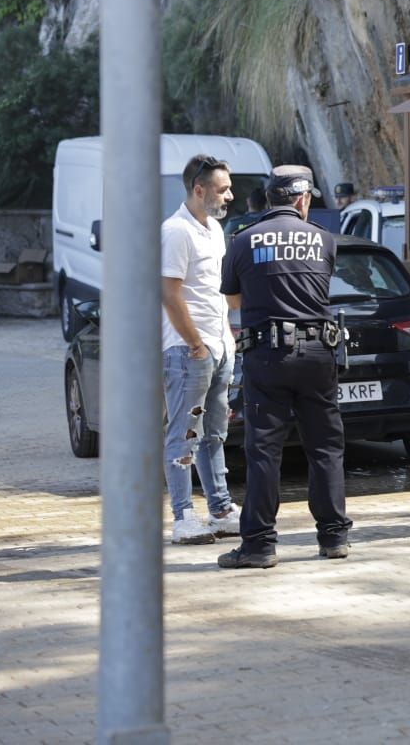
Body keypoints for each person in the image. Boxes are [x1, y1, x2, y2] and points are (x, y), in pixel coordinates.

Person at [218, 164, 351, 568]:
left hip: (268, 356)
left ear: (270, 198)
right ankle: (333, 538)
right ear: (302, 199)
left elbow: (234, 302)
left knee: (264, 452)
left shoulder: (242, 242)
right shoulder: (324, 240)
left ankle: (259, 546)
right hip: (317, 356)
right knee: (325, 447)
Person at [160, 154, 240, 544]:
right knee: (184, 435)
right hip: (188, 352)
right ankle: (183, 517)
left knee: (214, 434)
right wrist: (195, 344)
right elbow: (169, 294)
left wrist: (227, 338)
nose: (230, 195)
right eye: (223, 189)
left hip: (219, 346)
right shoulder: (176, 231)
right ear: (199, 190)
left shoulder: (214, 231)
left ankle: (221, 509)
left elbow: (215, 292)